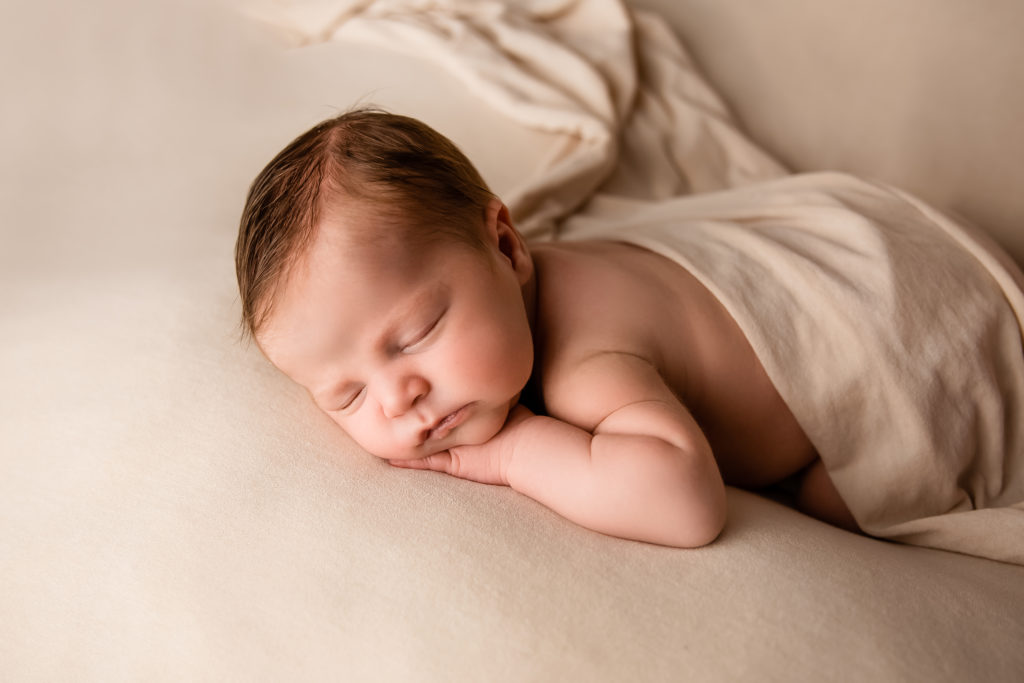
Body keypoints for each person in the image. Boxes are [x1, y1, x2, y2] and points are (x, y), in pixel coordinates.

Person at [235, 108, 1003, 549]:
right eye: (344, 395)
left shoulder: (587, 362)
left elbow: (687, 504)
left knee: (839, 503)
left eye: (416, 332)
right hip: (873, 247)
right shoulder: (510, 295)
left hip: (904, 328)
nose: (399, 397)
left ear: (506, 245)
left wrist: (515, 452)